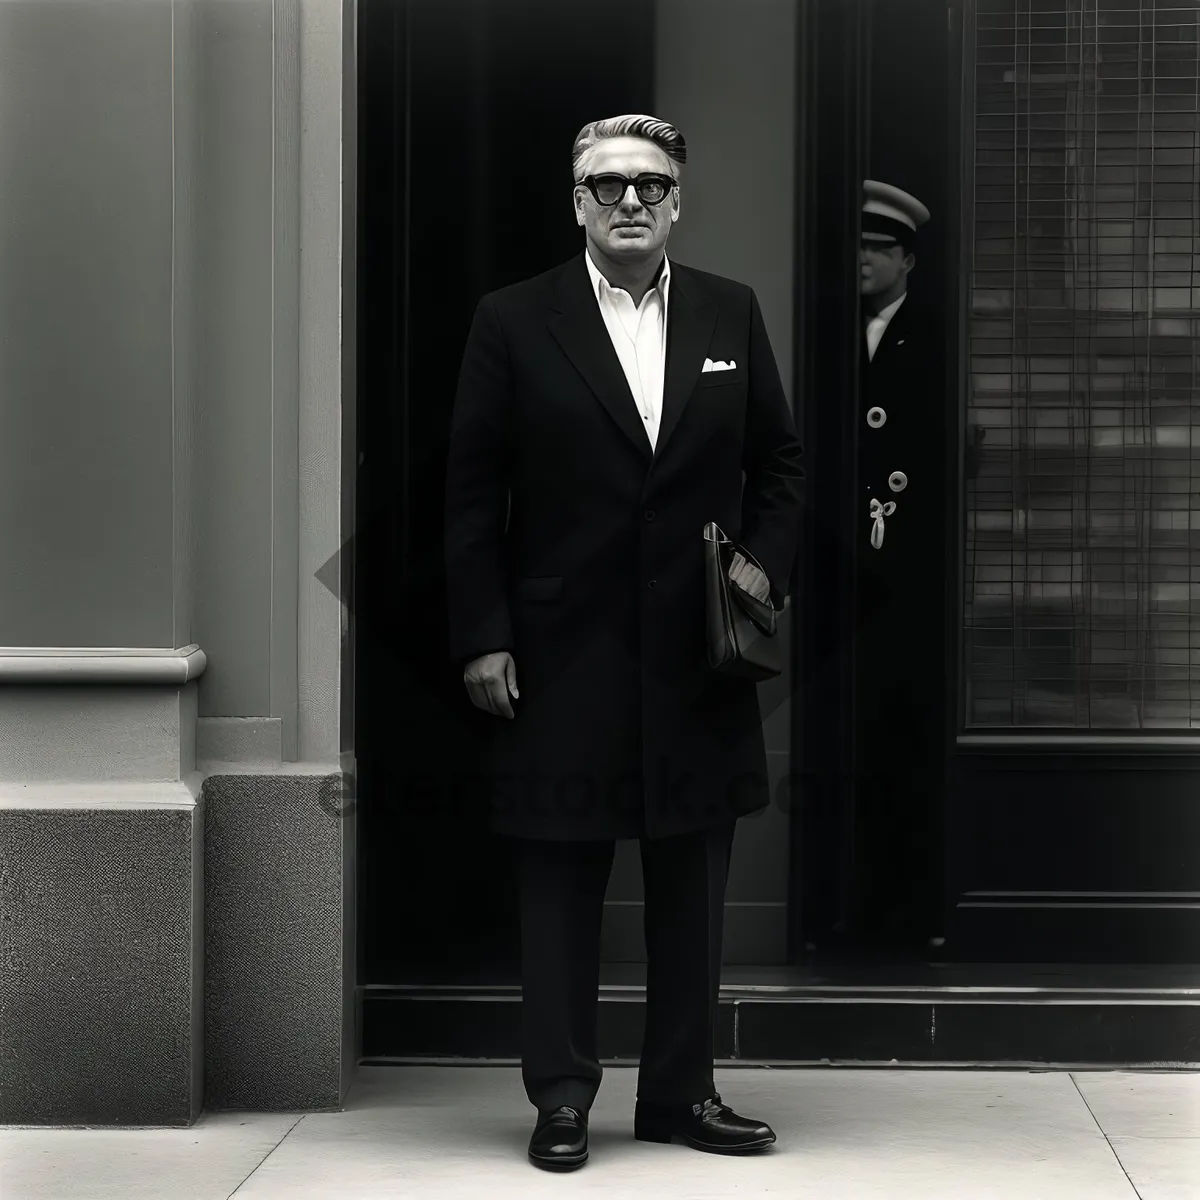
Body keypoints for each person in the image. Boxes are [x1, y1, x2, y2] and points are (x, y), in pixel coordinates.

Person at [444, 113, 804, 1171]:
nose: (632, 201)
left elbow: (780, 468)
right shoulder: (513, 321)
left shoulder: (731, 312)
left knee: (693, 881)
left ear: (679, 201)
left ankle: (681, 1096)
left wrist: (761, 569)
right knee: (559, 879)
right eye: (609, 185)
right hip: (560, 653)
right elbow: (470, 497)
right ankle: (561, 1099)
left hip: (695, 654)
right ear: (578, 205)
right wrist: (483, 636)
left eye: (652, 184)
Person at [854, 180, 945, 952]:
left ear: (906, 259)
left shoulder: (932, 334)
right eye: (854, 246)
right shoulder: (836, 331)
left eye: (875, 249)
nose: (861, 261)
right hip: (853, 568)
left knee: (905, 734)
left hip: (910, 570)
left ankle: (910, 916)